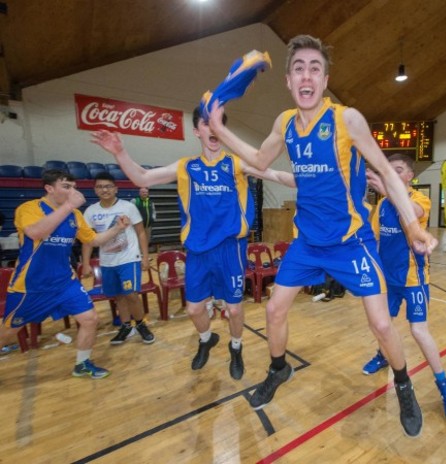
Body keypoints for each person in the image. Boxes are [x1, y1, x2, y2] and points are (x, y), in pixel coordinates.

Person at [208, 35, 437, 437]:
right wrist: (217, 128)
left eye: (315, 67)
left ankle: (403, 383)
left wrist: (414, 225)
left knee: (382, 326)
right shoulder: (284, 123)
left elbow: (384, 170)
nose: (307, 75)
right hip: (308, 243)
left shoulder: (347, 119)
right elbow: (261, 160)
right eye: (299, 68)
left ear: (325, 78)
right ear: (289, 81)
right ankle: (279, 369)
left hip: (352, 243)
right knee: (275, 309)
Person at [91, 106, 294, 380]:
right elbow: (142, 178)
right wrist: (119, 152)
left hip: (229, 249)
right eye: (207, 124)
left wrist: (313, 180)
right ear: (198, 131)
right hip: (198, 251)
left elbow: (277, 176)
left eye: (219, 123)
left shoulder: (237, 163)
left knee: (234, 308)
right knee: (194, 308)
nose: (214, 129)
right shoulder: (186, 167)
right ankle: (206, 338)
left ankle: (236, 347)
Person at [0, 169, 130, 379]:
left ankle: (82, 364)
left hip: (65, 283)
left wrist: (117, 229)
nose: (72, 191)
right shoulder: (29, 208)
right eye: (66, 187)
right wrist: (69, 205)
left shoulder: (75, 215)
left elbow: (93, 240)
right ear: (49, 189)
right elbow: (36, 232)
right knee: (7, 333)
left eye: (74, 187)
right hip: (30, 286)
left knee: (90, 319)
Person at [364, 154, 446, 420]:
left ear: (410, 176)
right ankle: (382, 355)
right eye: (389, 171)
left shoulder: (419, 199)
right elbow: (374, 240)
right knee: (382, 324)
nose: (393, 175)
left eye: (398, 170)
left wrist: (387, 190)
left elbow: (413, 213)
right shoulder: (383, 205)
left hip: (412, 278)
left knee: (419, 332)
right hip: (388, 279)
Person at [82, 171, 155, 345]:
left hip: (128, 259)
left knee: (130, 294)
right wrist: (85, 263)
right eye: (100, 186)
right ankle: (126, 326)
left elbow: (141, 233)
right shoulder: (91, 211)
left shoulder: (127, 207)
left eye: (108, 186)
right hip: (107, 262)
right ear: (95, 190)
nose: (104, 189)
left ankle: (140, 324)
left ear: (116, 188)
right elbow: (87, 240)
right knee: (118, 296)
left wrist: (145, 257)